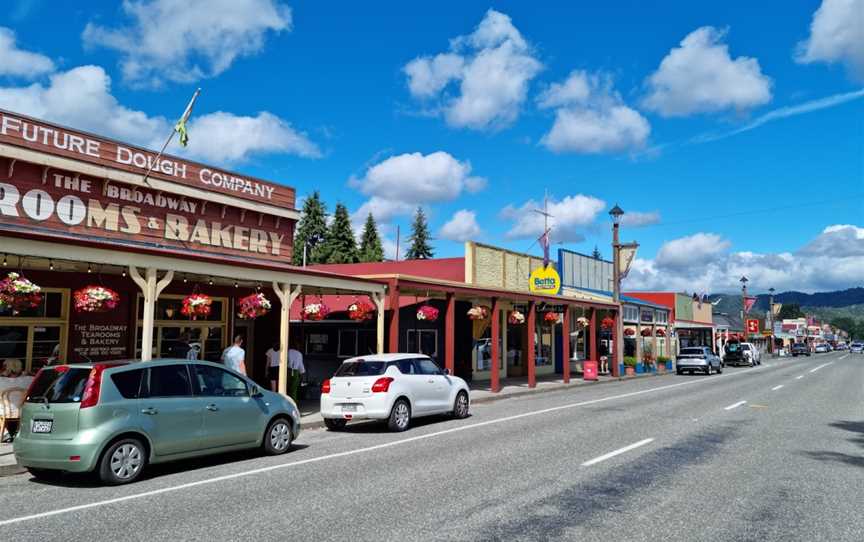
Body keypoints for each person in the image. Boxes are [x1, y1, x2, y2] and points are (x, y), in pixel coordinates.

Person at [287, 337, 305, 403]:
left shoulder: (288, 351)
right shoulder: (299, 354)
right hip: (295, 372)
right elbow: (301, 365)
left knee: (287, 387)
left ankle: (287, 401)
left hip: (288, 371)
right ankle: (293, 402)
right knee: (294, 389)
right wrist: (302, 374)